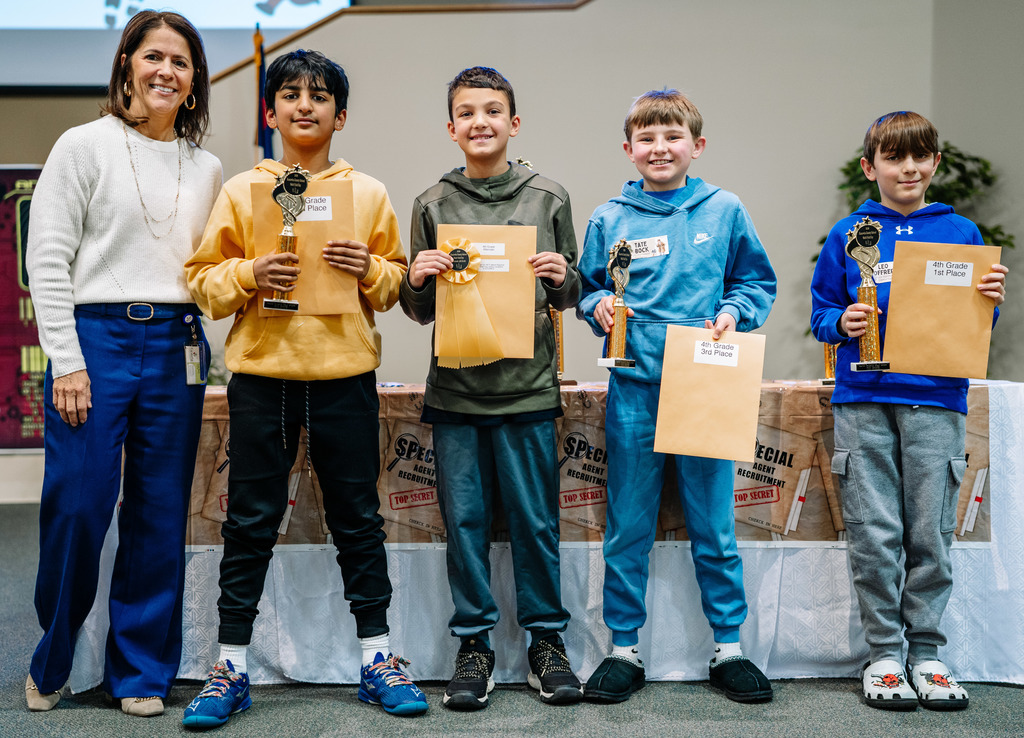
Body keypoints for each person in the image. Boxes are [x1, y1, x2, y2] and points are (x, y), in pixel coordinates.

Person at [181, 50, 426, 728]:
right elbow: (202, 280)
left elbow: (399, 283)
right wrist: (251, 273)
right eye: (290, 95)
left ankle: (377, 658)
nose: (304, 105)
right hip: (261, 377)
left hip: (345, 376)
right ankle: (230, 665)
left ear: (340, 115)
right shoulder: (241, 191)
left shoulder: (367, 193)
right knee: (250, 522)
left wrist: (370, 265)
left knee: (358, 521)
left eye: (320, 97)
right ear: (270, 113)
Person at [24, 10, 222, 718]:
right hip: (95, 340)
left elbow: (205, 269)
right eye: (154, 57)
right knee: (78, 504)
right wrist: (67, 362)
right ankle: (52, 658)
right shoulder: (82, 145)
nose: (166, 71)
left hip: (177, 345)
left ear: (195, 82)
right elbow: (45, 259)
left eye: (182, 61)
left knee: (159, 511)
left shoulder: (208, 167)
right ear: (127, 65)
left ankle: (140, 671)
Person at [576, 89, 776, 704]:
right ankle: (624, 649)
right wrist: (596, 305)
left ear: (697, 145)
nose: (660, 148)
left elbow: (754, 280)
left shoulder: (725, 209)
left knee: (714, 525)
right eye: (647, 138)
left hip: (706, 383)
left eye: (672, 137)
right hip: (634, 387)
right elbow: (586, 288)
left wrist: (734, 312)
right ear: (629, 149)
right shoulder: (610, 216)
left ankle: (729, 647)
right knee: (627, 525)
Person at [399, 66, 583, 710]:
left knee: (536, 523)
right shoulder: (431, 203)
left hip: (528, 391)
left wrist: (563, 274)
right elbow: (418, 311)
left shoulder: (548, 197)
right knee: (466, 523)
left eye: (493, 111)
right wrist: (416, 279)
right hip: (455, 394)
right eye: (468, 113)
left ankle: (545, 642)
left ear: (514, 122)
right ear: (452, 128)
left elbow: (572, 292)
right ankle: (474, 644)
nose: (481, 122)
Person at [810, 110, 1007, 711]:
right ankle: (885, 656)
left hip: (937, 399)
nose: (909, 167)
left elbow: (971, 325)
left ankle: (928, 653)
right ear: (871, 168)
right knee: (876, 532)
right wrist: (840, 322)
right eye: (894, 158)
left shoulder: (962, 233)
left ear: (935, 164)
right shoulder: (848, 234)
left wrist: (988, 301)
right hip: (864, 399)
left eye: (920, 156)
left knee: (931, 532)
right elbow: (819, 311)